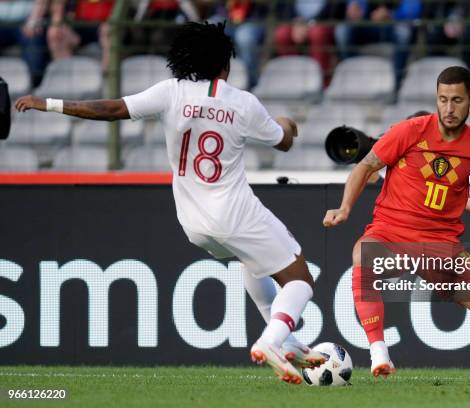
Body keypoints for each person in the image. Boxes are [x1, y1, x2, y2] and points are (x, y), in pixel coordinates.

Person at [15, 21, 325, 385]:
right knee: (300, 281)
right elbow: (283, 142)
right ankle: (271, 341)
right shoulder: (243, 103)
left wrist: (47, 103)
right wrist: (286, 123)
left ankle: (289, 344)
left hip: (193, 222)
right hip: (234, 212)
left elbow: (112, 108)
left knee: (253, 261)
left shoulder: (171, 92)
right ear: (226, 63)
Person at [323, 66, 470, 388]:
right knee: (363, 257)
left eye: (457, 100)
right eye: (443, 100)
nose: (449, 108)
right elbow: (367, 165)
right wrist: (344, 208)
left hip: (441, 244)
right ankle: (379, 353)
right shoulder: (409, 131)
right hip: (392, 231)